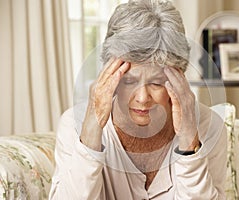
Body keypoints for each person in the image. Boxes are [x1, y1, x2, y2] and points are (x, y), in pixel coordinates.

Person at [49, 0, 227, 199]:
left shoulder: (208, 125)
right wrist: (91, 132)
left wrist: (189, 141)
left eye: (157, 82)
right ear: (110, 75)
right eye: (129, 81)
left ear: (179, 77)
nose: (142, 98)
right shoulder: (76, 123)